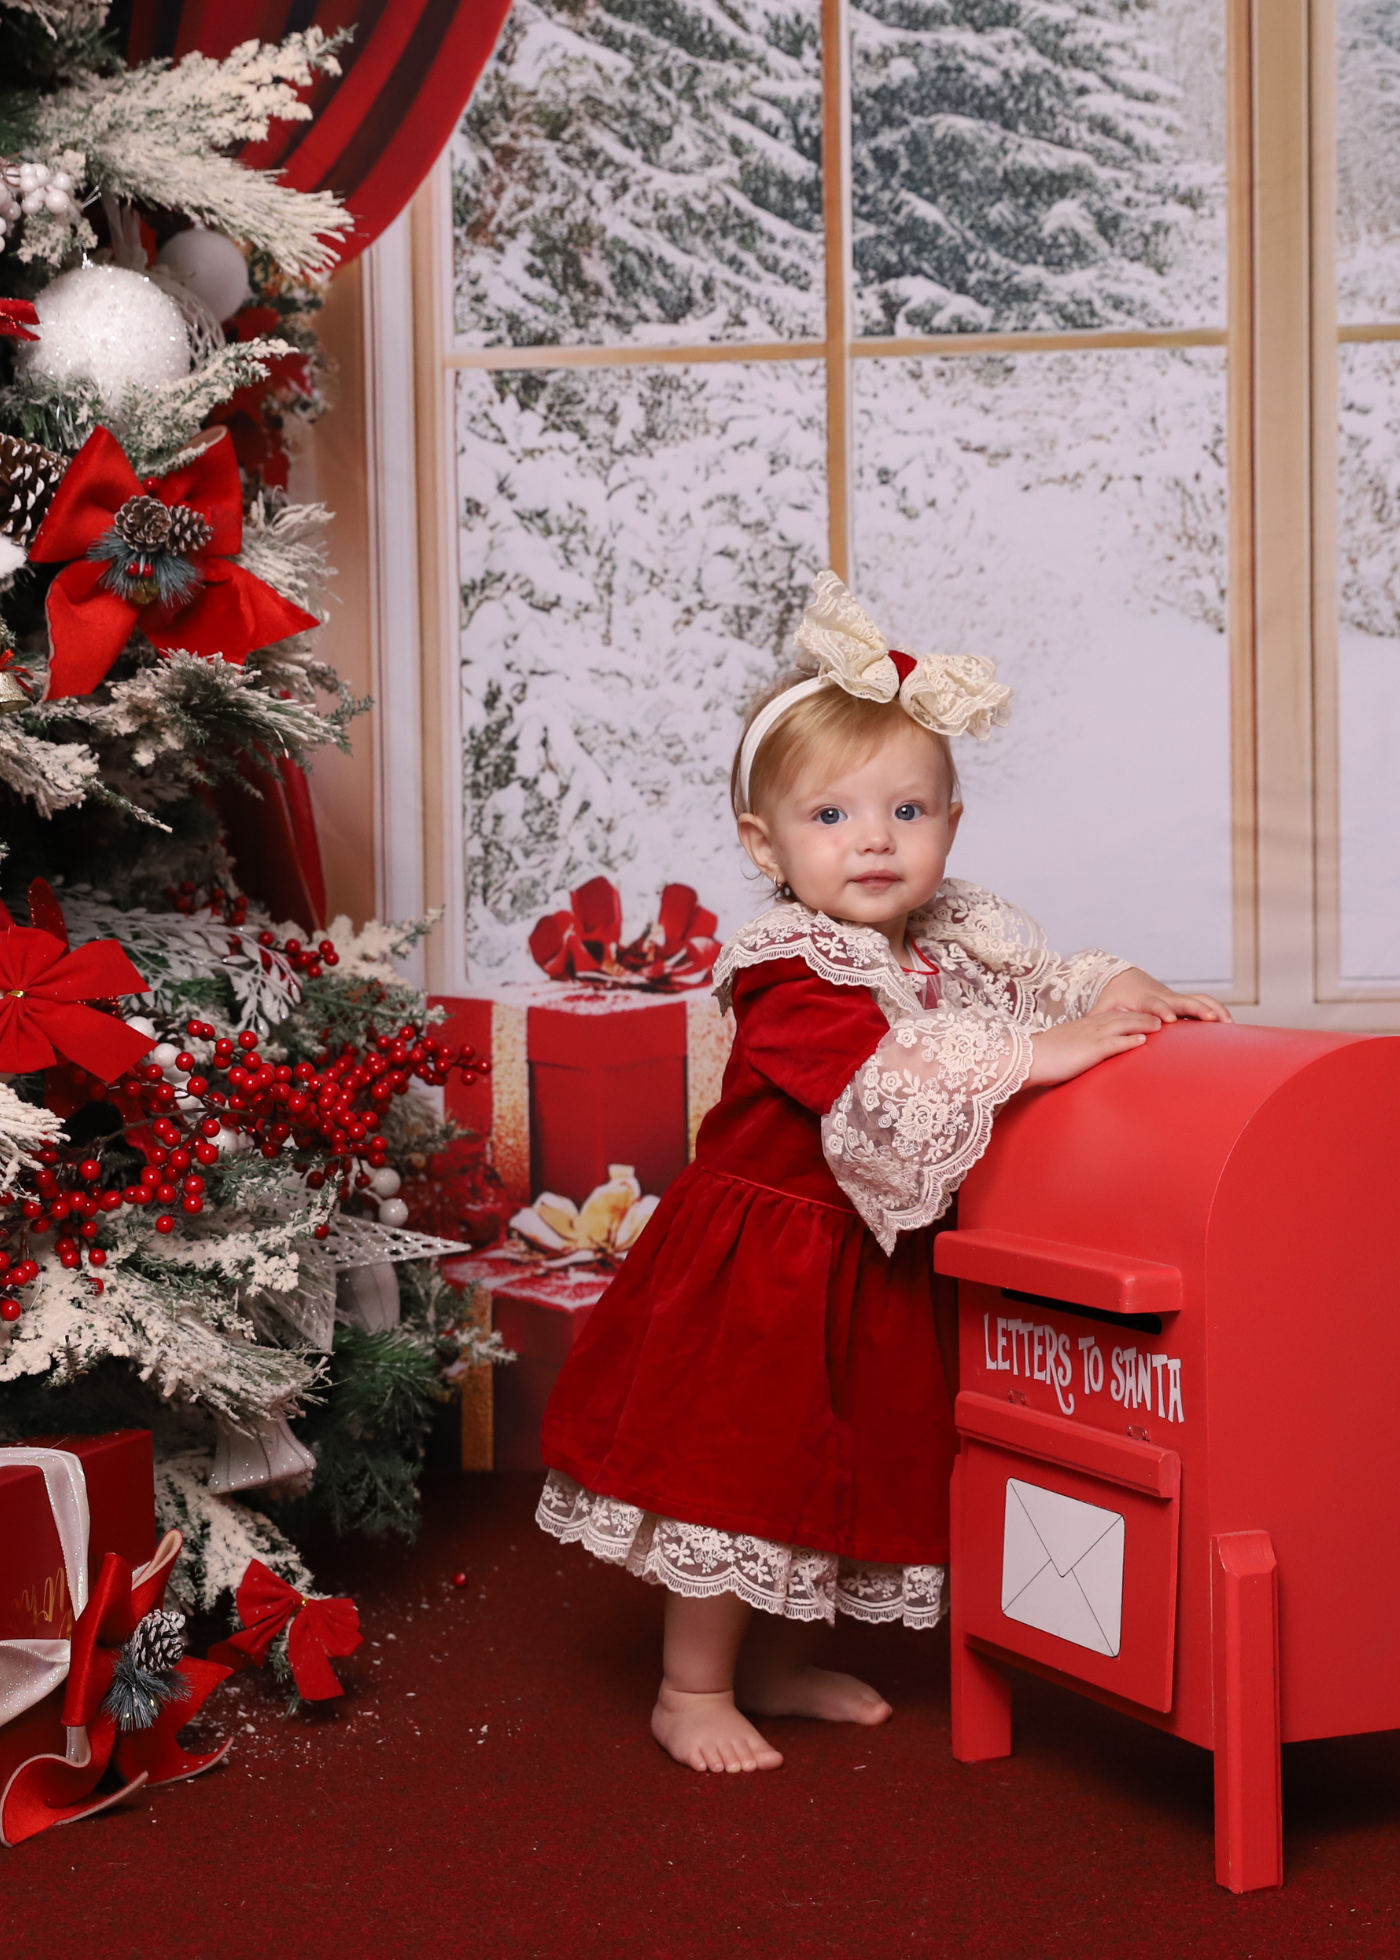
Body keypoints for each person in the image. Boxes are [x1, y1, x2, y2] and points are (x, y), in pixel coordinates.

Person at [536, 571, 1232, 1775]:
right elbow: (884, 1074)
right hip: (761, 1267)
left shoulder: (949, 934)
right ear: (763, 842)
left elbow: (1035, 983)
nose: (873, 839)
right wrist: (1036, 1053)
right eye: (832, 816)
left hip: (865, 1267)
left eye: (907, 811)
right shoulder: (789, 969)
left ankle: (776, 1659)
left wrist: (1110, 992)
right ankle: (687, 1683)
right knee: (739, 1463)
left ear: (949, 826)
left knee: (840, 1462)